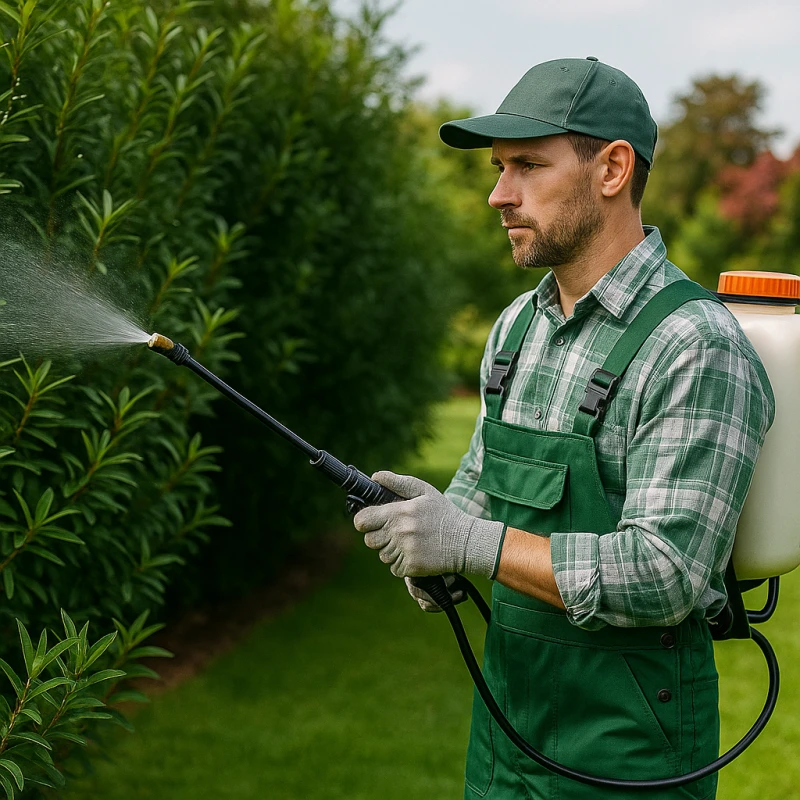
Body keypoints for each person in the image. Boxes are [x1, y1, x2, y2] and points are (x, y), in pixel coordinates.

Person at [353, 57, 774, 800]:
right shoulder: (518, 326)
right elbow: (480, 494)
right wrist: (437, 541)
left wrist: (471, 542)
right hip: (505, 736)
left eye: (526, 166)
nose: (497, 194)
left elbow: (667, 572)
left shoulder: (694, 344)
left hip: (629, 756)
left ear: (612, 169)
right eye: (498, 168)